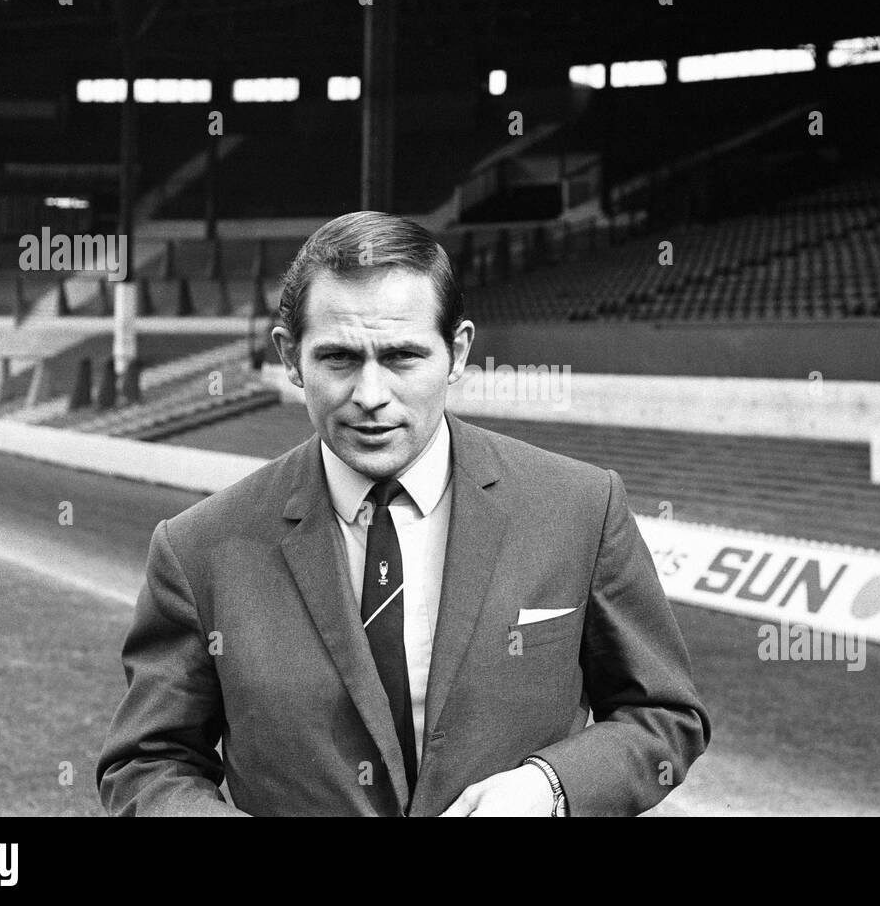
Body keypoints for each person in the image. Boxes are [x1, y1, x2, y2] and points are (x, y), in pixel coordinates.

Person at [96, 210, 710, 816]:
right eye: (338, 358)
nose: (370, 395)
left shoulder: (579, 508)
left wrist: (549, 787)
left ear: (458, 352)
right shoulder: (199, 547)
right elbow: (148, 765)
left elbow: (663, 715)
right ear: (290, 357)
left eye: (402, 358)